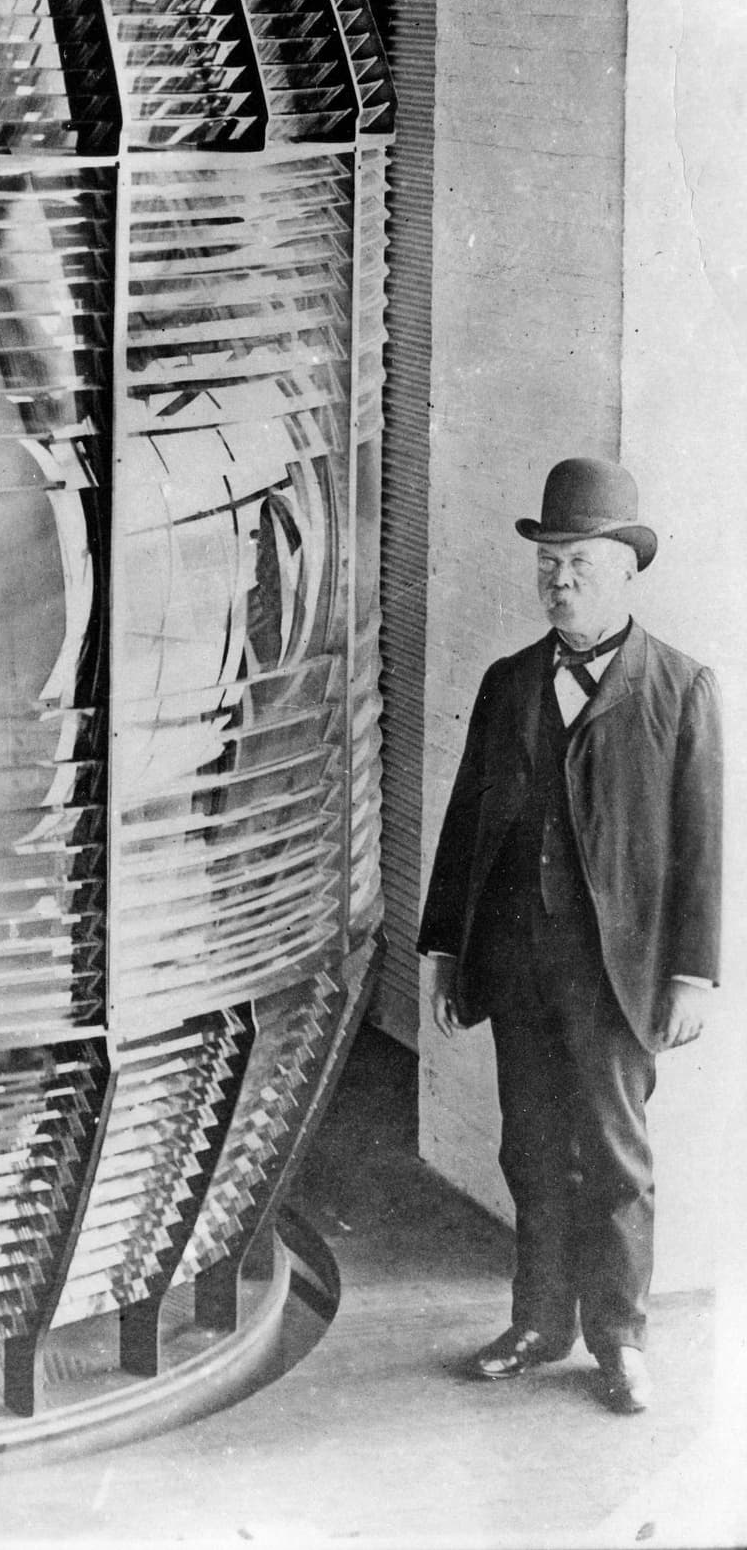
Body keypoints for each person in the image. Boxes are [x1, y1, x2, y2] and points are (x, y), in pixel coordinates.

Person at [418, 457, 722, 1416]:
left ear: (626, 571)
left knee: (617, 1158)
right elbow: (467, 823)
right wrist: (445, 949)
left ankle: (622, 1341)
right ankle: (538, 1324)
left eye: (580, 561)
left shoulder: (679, 688)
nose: (559, 579)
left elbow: (703, 849)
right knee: (532, 1150)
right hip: (517, 965)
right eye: (548, 560)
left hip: (618, 975)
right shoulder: (510, 683)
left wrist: (692, 975)